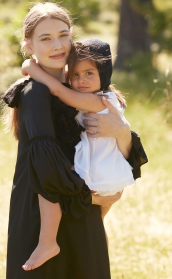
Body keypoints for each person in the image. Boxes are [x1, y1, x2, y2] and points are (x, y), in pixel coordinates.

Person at [1, 2, 147, 279]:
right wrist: (91, 198)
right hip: (42, 221)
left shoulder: (84, 86)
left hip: (82, 219)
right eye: (45, 38)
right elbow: (46, 165)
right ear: (28, 44)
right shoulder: (35, 94)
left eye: (63, 35)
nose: (56, 45)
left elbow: (128, 160)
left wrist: (121, 132)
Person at [22, 39, 136, 219]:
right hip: (101, 168)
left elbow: (58, 90)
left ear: (104, 74)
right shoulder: (94, 94)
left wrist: (31, 66)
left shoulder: (99, 101)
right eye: (75, 75)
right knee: (97, 225)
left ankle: (48, 241)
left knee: (93, 224)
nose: (81, 80)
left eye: (89, 73)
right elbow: (65, 76)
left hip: (100, 172)